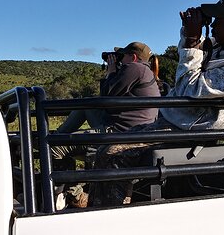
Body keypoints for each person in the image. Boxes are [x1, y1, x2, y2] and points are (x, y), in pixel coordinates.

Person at [90, 0, 224, 207]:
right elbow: (194, 52)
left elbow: (189, 88)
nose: (212, 25)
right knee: (105, 147)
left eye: (217, 20)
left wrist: (192, 43)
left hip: (190, 133)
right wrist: (190, 34)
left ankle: (113, 216)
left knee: (112, 155)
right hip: (174, 125)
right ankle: (100, 207)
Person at [52, 41, 161, 209]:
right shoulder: (145, 72)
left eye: (122, 56)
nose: (119, 60)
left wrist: (111, 73)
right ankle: (57, 138)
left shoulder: (135, 68)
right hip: (125, 126)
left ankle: (70, 193)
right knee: (85, 105)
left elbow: (107, 95)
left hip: (121, 130)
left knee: (55, 148)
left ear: (133, 57)